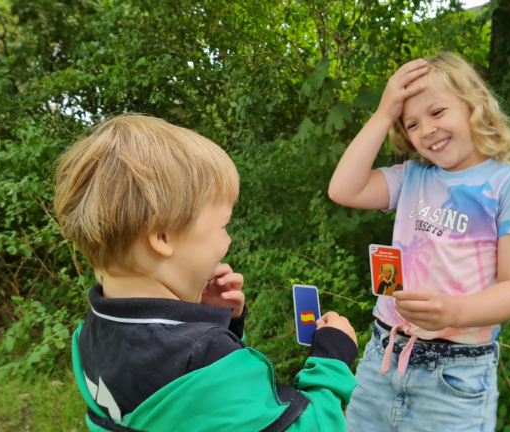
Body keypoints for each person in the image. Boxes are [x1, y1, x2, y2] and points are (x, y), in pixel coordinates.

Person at [54, 114, 358, 432]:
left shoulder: (90, 333)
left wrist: (210, 320)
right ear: (162, 237)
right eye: (223, 225)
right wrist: (332, 358)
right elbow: (312, 426)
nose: (228, 240)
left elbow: (197, 412)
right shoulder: (203, 355)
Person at [328, 53, 510, 431]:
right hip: (382, 356)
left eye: (437, 112)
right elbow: (343, 189)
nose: (426, 129)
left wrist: (454, 312)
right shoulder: (411, 176)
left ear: (474, 102)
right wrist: (383, 114)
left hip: (455, 377)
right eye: (412, 123)